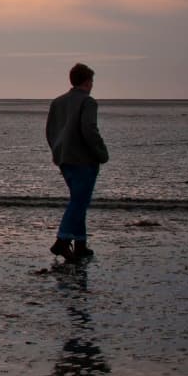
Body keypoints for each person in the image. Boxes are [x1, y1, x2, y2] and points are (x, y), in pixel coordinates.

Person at [45, 62, 109, 261]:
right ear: (87, 81)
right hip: (83, 159)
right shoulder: (88, 102)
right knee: (79, 201)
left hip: (64, 159)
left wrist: (57, 151)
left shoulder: (58, 102)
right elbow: (89, 130)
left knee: (78, 200)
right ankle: (62, 241)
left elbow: (50, 131)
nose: (92, 84)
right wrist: (101, 152)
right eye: (91, 80)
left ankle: (80, 244)